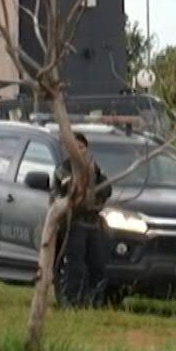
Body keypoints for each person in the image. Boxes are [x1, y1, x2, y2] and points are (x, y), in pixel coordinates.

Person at [54, 132, 112, 308]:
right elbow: (65, 188)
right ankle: (71, 300)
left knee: (98, 264)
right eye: (75, 147)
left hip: (93, 223)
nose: (79, 150)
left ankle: (94, 301)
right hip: (74, 222)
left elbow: (107, 189)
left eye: (82, 147)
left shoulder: (95, 168)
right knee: (75, 264)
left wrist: (95, 190)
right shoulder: (64, 168)